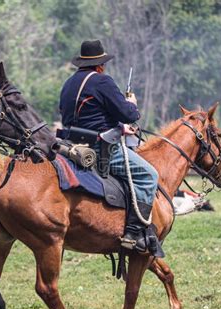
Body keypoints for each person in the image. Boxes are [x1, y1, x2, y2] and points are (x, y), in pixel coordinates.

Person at [59, 39, 161, 255]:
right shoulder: (102, 81)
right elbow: (130, 115)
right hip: (100, 149)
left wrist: (119, 128)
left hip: (73, 146)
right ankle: (134, 234)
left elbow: (86, 117)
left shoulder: (68, 84)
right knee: (149, 176)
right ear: (100, 65)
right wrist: (131, 103)